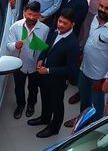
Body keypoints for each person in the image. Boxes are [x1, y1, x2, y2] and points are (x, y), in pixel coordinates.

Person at [68, 0, 108, 127]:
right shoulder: (95, 18)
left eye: (107, 8)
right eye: (101, 6)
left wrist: (104, 80)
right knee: (84, 98)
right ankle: (81, 122)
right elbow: (91, 38)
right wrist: (83, 54)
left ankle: (93, 129)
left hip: (98, 78)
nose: (102, 10)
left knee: (97, 107)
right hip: (84, 68)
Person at [28, 9, 79, 138]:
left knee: (57, 104)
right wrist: (40, 59)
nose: (60, 25)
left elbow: (71, 69)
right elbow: (46, 47)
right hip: (45, 76)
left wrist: (49, 70)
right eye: (60, 21)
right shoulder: (55, 32)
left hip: (57, 80)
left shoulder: (73, 44)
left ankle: (54, 128)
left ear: (72, 24)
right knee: (45, 98)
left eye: (65, 23)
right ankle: (44, 118)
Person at [7, 1, 49, 119]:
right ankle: (20, 105)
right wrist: (15, 45)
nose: (31, 17)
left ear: (39, 15)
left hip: (35, 66)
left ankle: (31, 104)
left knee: (33, 88)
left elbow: (45, 48)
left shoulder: (45, 29)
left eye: (35, 15)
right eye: (29, 14)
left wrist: (41, 61)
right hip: (19, 64)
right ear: (24, 12)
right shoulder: (15, 27)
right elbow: (8, 45)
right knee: (19, 87)